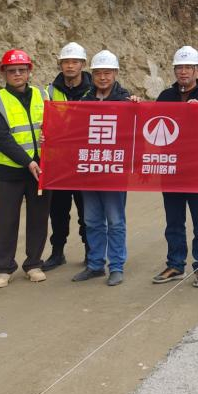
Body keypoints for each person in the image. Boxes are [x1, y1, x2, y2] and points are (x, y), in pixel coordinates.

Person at [152, 46, 198, 287]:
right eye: (179, 67)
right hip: (172, 169)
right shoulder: (164, 97)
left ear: (196, 70)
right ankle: (175, 264)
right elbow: (151, 126)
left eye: (188, 67)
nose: (183, 72)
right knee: (173, 222)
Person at [0, 49, 51, 288]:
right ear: (4, 73)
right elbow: (1, 138)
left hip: (42, 169)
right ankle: (4, 268)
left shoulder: (43, 95)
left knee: (38, 218)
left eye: (21, 70)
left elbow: (56, 124)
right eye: (11, 70)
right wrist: (28, 161)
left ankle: (34, 264)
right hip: (11, 171)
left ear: (29, 71)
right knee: (7, 220)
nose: (17, 74)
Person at [73, 51, 133, 286]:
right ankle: (95, 264)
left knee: (115, 221)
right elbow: (73, 133)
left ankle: (116, 266)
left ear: (115, 73)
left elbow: (135, 136)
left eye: (107, 73)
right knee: (91, 220)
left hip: (114, 172)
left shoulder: (126, 102)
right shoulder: (84, 101)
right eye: (98, 73)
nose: (103, 77)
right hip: (90, 171)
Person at [43, 42, 92, 271]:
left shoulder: (95, 91)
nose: (70, 66)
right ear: (60, 64)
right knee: (58, 211)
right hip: (60, 162)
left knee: (87, 212)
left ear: (83, 64)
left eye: (75, 62)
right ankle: (57, 253)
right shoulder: (49, 91)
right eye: (66, 62)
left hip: (85, 161)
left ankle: (90, 252)